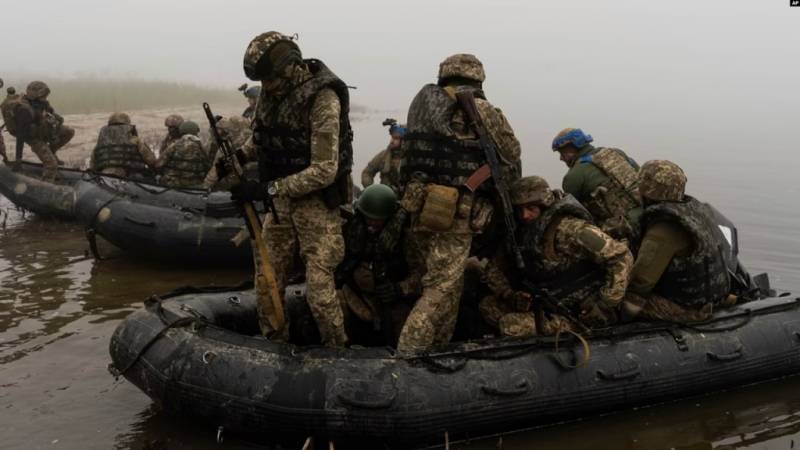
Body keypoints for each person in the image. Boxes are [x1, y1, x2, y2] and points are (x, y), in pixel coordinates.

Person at [233, 31, 353, 346]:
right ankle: (276, 346)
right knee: (267, 281)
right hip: (281, 207)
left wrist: (269, 189)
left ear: (290, 67)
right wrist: (238, 156)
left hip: (316, 205)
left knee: (319, 289)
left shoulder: (322, 98)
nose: (267, 87)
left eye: (270, 79)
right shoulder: (269, 97)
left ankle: (337, 349)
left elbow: (324, 169)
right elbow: (259, 137)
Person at [396, 53, 522, 352]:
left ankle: (440, 347)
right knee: (439, 288)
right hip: (456, 211)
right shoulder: (480, 108)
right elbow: (512, 152)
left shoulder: (422, 106)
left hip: (420, 207)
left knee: (448, 285)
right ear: (477, 79)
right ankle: (406, 355)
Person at [479, 176, 634, 337]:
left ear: (544, 204)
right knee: (488, 306)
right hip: (546, 304)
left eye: (531, 207)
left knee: (510, 325)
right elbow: (493, 270)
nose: (524, 215)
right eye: (519, 209)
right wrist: (510, 295)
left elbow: (620, 256)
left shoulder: (569, 228)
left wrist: (605, 304)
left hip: (579, 312)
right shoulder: (520, 234)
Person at [626, 160, 731, 322]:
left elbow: (640, 284)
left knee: (608, 296)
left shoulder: (664, 230)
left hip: (688, 308)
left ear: (648, 190)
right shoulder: (694, 210)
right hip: (711, 297)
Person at [335, 184, 419, 346]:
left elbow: (420, 274)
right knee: (335, 307)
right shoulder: (352, 231)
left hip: (392, 299)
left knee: (407, 330)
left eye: (377, 219)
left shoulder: (404, 238)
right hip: (356, 296)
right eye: (368, 217)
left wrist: (400, 289)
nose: (371, 223)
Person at [552, 128, 642, 244]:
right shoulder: (616, 153)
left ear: (572, 148)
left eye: (562, 152)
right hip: (649, 216)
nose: (561, 158)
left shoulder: (573, 176)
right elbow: (640, 176)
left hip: (623, 231)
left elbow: (573, 214)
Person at [2, 81, 74, 181]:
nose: (45, 98)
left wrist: (57, 118)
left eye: (45, 96)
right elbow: (21, 136)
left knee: (69, 131)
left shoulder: (42, 103)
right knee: (51, 165)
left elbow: (50, 111)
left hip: (43, 129)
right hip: (32, 136)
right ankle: (46, 185)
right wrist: (18, 159)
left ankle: (51, 152)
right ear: (34, 95)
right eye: (43, 96)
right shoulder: (24, 110)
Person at [90, 112, 157, 180]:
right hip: (131, 179)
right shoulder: (135, 140)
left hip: (104, 178)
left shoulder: (99, 145)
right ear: (127, 124)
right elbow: (151, 161)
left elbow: (92, 166)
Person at [202, 115, 254, 190]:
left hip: (240, 176)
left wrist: (205, 187)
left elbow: (216, 169)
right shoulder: (240, 122)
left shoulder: (226, 146)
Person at [157, 120, 210, 188]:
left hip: (173, 182)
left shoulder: (174, 145)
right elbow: (207, 166)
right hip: (194, 183)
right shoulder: (200, 147)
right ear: (195, 131)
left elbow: (159, 164)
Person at [361, 119, 405, 192]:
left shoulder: (409, 159)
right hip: (385, 198)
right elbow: (367, 173)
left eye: (396, 138)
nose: (391, 141)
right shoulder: (384, 156)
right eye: (392, 137)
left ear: (403, 141)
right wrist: (373, 190)